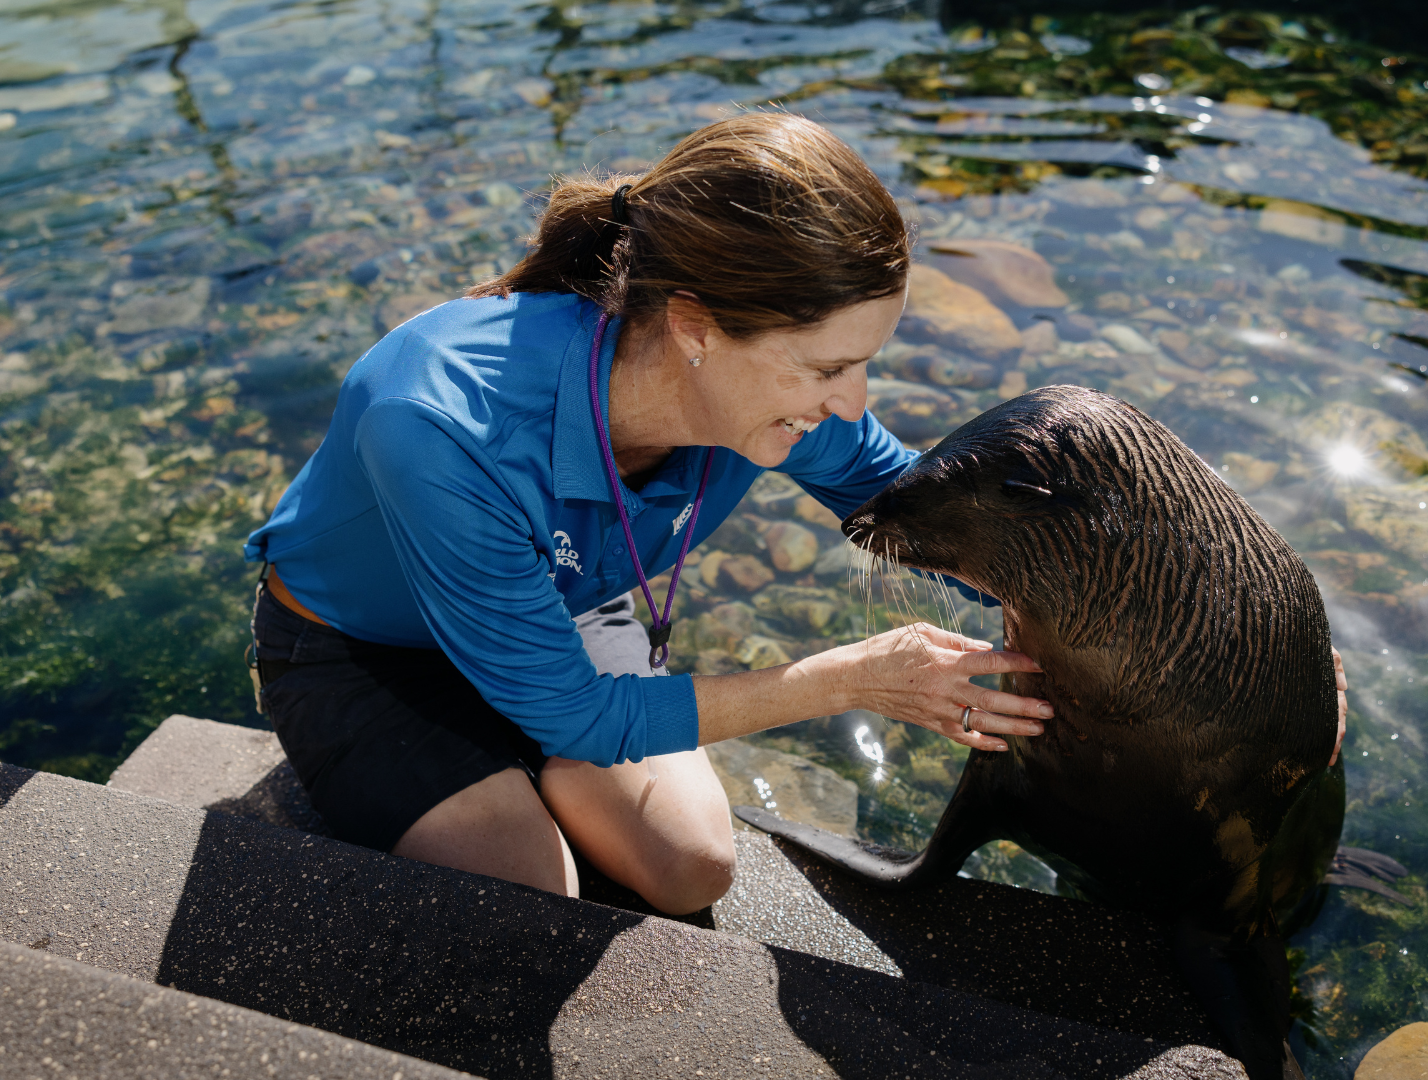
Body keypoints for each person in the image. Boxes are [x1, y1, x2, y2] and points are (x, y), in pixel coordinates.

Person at [243, 113, 1052, 916]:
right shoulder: (437, 421)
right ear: (696, 328)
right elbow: (577, 715)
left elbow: (930, 521)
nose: (852, 402)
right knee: (530, 896)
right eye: (828, 367)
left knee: (691, 868)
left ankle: (535, 760)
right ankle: (498, 769)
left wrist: (1114, 594)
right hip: (363, 650)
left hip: (561, 611)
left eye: (865, 363)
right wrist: (854, 680)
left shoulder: (775, 399)